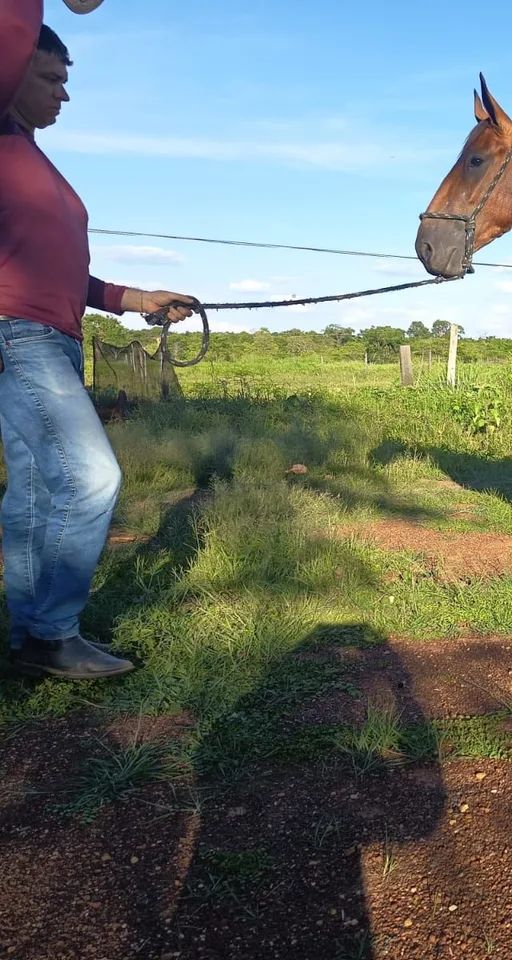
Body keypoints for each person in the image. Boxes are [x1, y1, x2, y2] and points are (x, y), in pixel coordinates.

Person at [1, 1, 198, 679]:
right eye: (51, 77)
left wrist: (137, 300)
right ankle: (53, 633)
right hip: (16, 336)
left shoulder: (28, 156)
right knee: (91, 477)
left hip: (50, 338)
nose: (65, 93)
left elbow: (60, 271)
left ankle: (32, 635)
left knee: (34, 489)